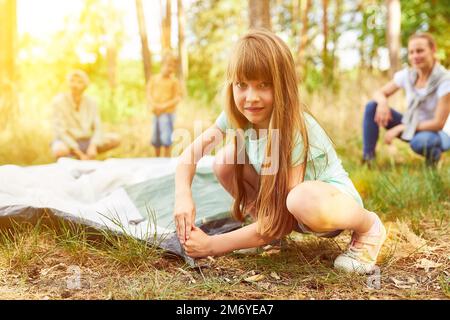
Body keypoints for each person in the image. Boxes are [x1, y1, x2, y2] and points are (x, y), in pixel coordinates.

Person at [173, 30, 386, 274]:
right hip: (286, 204)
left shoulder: (294, 127)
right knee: (224, 162)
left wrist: (212, 245)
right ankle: (263, 231)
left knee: (300, 199)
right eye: (242, 85)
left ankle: (369, 226)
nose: (251, 98)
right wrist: (183, 197)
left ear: (283, 86)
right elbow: (188, 156)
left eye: (264, 85)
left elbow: (282, 221)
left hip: (326, 206)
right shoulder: (235, 115)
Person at [362, 33, 450, 166]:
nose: (415, 56)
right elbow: (379, 92)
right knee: (372, 106)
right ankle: (368, 160)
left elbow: (438, 123)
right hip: (411, 125)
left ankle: (433, 159)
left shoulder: (445, 80)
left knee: (420, 142)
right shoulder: (407, 75)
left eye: (420, 51)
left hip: (438, 133)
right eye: (411, 52)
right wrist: (383, 102)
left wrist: (402, 127)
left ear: (433, 50)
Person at [51, 70, 120, 160]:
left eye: (79, 82)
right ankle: (77, 156)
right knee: (59, 150)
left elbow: (98, 127)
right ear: (68, 83)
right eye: (72, 81)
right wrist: (79, 153)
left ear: (85, 85)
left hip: (87, 140)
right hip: (67, 142)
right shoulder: (58, 101)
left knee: (115, 138)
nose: (75, 85)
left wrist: (93, 146)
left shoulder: (92, 102)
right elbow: (60, 131)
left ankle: (89, 154)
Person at [147, 54, 182, 157]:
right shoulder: (154, 79)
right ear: (162, 64)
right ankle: (157, 159)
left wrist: (163, 106)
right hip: (156, 113)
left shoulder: (174, 81)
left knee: (166, 138)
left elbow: (177, 98)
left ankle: (166, 160)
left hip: (167, 113)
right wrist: (154, 105)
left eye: (173, 67)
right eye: (169, 65)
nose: (171, 69)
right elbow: (149, 93)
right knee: (156, 139)